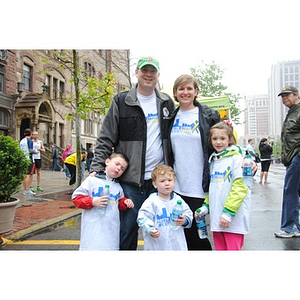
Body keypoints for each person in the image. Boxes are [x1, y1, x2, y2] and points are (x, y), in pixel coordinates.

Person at [90, 56, 175, 250]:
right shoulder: (121, 101)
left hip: (158, 182)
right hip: (130, 183)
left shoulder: (166, 103)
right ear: (136, 73)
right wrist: (96, 167)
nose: (148, 74)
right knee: (127, 231)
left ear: (158, 75)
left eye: (152, 71)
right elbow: (106, 137)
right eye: (144, 70)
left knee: (160, 232)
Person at [169, 74, 220, 250]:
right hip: (177, 187)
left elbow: (223, 142)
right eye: (181, 89)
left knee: (197, 236)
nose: (185, 92)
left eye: (189, 88)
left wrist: (242, 158)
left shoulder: (209, 115)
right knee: (179, 234)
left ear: (196, 91)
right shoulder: (170, 117)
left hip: (200, 186)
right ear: (175, 93)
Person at [195, 122, 250, 250]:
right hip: (217, 219)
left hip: (232, 219)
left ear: (230, 139)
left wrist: (228, 213)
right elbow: (213, 189)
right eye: (214, 139)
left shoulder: (236, 158)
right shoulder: (214, 159)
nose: (218, 142)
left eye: (222, 138)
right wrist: (205, 207)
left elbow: (240, 187)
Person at [72, 152, 134, 250]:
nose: (118, 168)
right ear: (107, 161)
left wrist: (125, 202)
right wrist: (92, 201)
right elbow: (76, 198)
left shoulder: (118, 186)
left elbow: (118, 204)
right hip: (92, 231)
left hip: (111, 231)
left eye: (122, 168)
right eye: (117, 164)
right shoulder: (92, 180)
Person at [137, 164, 192, 250]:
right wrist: (150, 229)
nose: (167, 183)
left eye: (170, 180)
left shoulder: (178, 200)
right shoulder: (151, 202)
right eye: (162, 181)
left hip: (176, 245)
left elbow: (188, 213)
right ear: (155, 184)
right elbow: (142, 217)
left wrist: (185, 220)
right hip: (157, 245)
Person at [274, 86, 300, 238]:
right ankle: (295, 226)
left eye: (287, 95)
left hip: (296, 158)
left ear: (296, 95)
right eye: (282, 96)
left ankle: (288, 228)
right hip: (292, 159)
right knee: (295, 192)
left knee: (290, 192)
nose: (284, 98)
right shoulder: (292, 113)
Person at [19, 128, 39, 196]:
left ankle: (25, 189)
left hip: (23, 159)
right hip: (29, 159)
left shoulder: (21, 141)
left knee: (25, 175)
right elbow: (30, 150)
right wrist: (36, 151)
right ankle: (27, 190)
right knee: (29, 175)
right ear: (30, 134)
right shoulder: (29, 141)